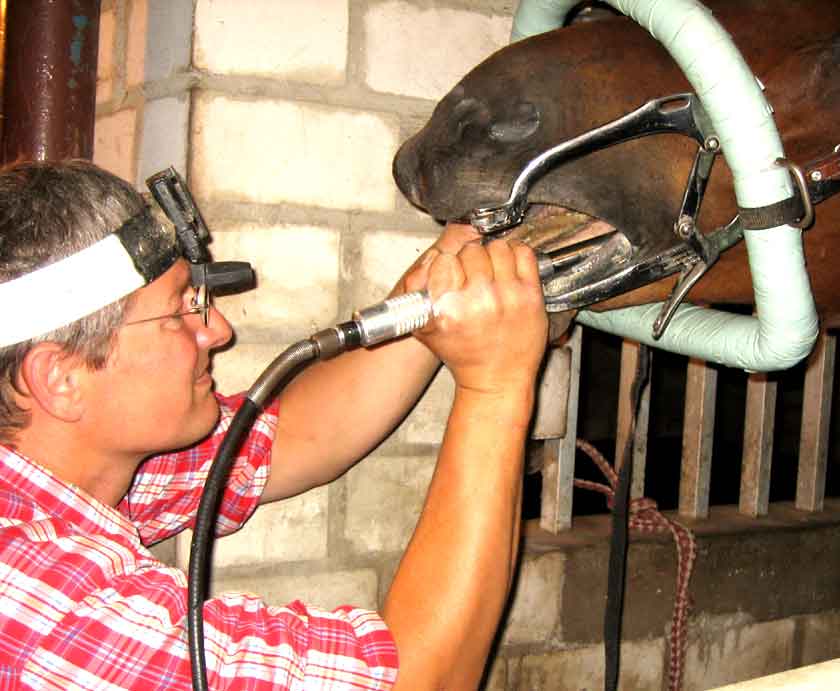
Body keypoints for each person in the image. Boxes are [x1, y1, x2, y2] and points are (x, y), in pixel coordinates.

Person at [0, 159, 547, 690]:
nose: (217, 330)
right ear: (61, 378)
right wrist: (495, 385)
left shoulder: (65, 473)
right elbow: (418, 682)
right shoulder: (40, 612)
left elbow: (295, 438)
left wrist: (454, 259)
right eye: (177, 312)